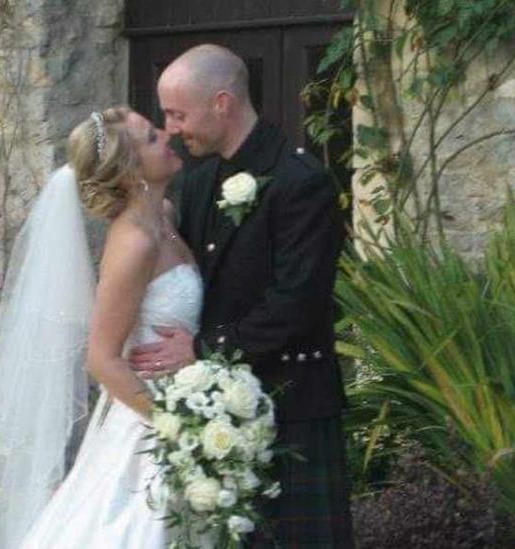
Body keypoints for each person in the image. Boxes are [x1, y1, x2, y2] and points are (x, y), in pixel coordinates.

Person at [129, 44, 355, 548]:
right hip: (213, 412)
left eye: (178, 113)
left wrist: (203, 348)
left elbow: (296, 302)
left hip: (291, 404)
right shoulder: (200, 179)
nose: (171, 128)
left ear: (223, 103)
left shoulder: (303, 183)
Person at [0, 106, 203, 549]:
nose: (168, 135)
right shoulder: (134, 240)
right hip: (151, 427)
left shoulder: (164, 216)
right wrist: (180, 431)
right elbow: (101, 359)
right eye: (152, 138)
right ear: (132, 172)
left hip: (187, 403)